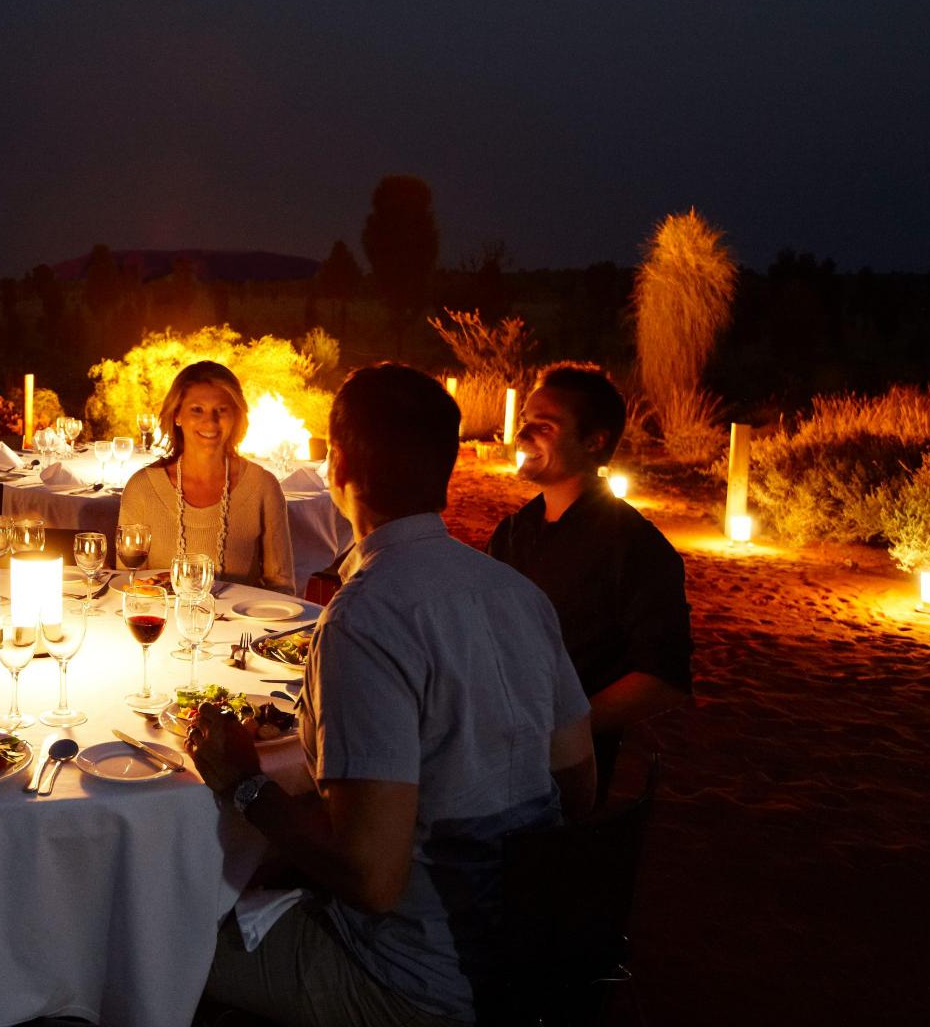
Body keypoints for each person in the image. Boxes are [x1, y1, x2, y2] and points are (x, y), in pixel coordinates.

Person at [187, 363, 596, 1026]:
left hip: (419, 983)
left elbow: (371, 880)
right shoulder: (517, 594)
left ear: (337, 465)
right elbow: (578, 786)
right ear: (448, 470)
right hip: (528, 955)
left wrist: (244, 782)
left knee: (155, 940)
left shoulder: (364, 619)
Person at [487, 364, 693, 800]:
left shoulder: (635, 548)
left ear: (594, 441)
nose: (523, 436)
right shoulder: (512, 532)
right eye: (526, 422)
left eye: (544, 426)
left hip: (564, 773)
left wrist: (562, 727)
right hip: (486, 745)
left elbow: (663, 680)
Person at [117, 361, 294, 592]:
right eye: (197, 409)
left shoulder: (263, 487)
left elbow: (282, 588)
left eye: (221, 410)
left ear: (236, 417)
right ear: (177, 415)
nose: (210, 422)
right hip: (162, 625)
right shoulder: (141, 488)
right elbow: (128, 583)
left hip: (240, 628)